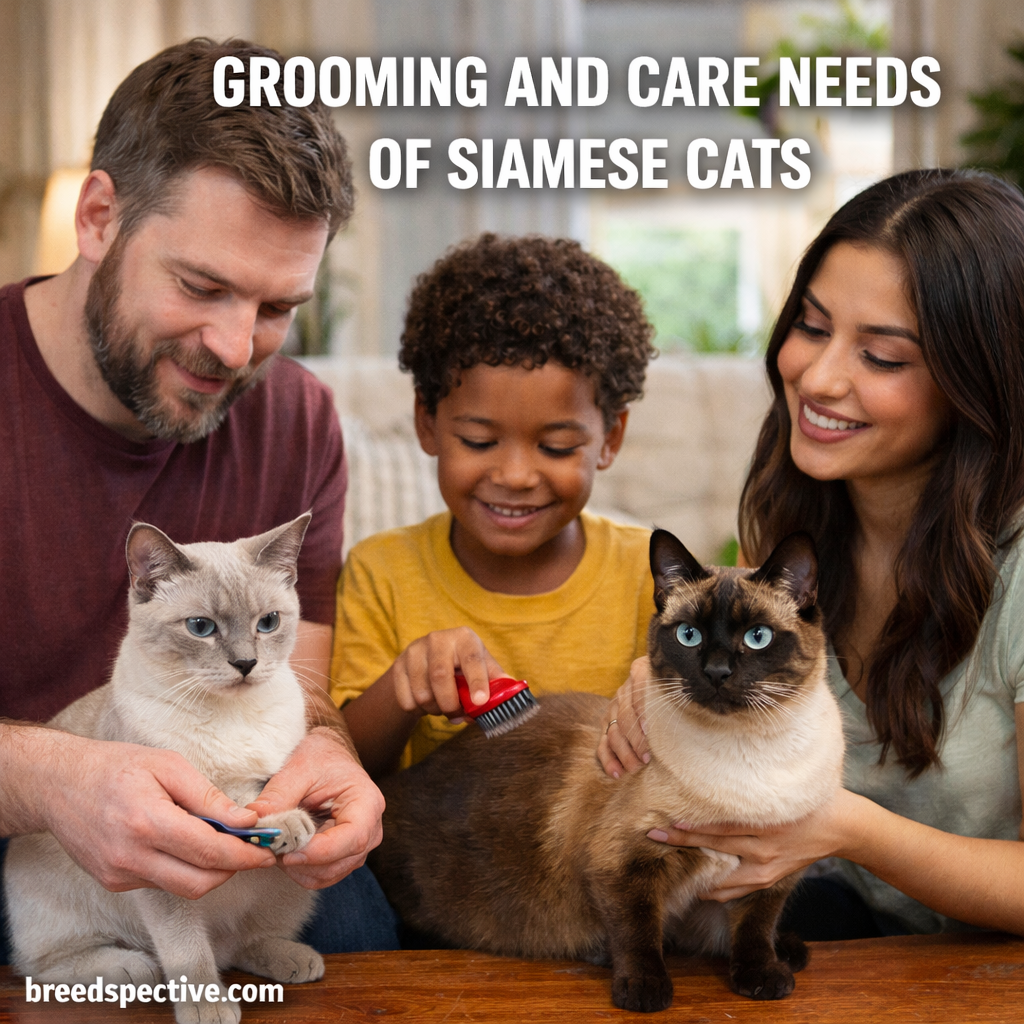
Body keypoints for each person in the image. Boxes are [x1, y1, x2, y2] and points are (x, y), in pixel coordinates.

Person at [0, 38, 398, 963]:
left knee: (361, 935)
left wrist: (329, 753)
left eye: (275, 307)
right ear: (98, 216)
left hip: (224, 824)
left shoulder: (297, 416)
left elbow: (297, 678)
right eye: (202, 286)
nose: (233, 346)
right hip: (28, 845)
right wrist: (49, 779)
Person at [598, 168, 1024, 939]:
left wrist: (847, 828)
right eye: (813, 326)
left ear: (979, 383)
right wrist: (670, 692)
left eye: (884, 358)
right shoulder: (807, 516)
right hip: (847, 937)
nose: (818, 378)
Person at [331, 233, 658, 777]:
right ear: (427, 422)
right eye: (480, 442)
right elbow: (341, 768)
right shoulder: (381, 573)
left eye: (556, 448)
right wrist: (402, 687)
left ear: (610, 439)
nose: (514, 476)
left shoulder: (649, 574)